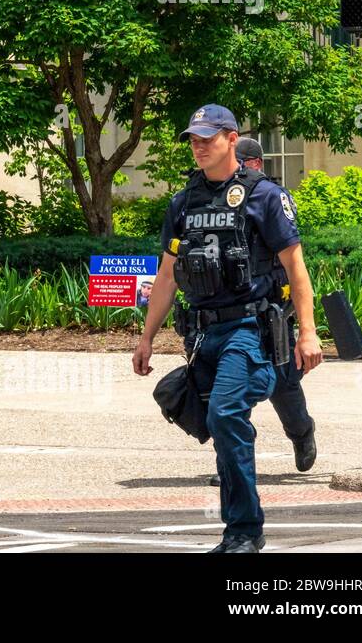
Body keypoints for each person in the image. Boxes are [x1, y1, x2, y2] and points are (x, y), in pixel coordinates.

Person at [133, 106, 323, 553]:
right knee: (216, 420)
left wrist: (308, 332)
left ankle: (243, 530)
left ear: (232, 139)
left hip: (248, 327)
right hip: (202, 336)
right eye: (193, 139)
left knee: (225, 414)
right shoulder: (184, 203)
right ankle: (243, 520)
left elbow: (296, 268)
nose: (198, 146)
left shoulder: (264, 196)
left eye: (207, 138)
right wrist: (145, 339)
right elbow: (166, 275)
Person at [204, 138, 316, 487]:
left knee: (283, 381)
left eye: (242, 161)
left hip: (272, 308)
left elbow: (293, 261)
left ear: (254, 163)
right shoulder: (214, 197)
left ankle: (301, 432)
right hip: (233, 312)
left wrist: (307, 329)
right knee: (229, 389)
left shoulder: (270, 196)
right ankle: (234, 465)